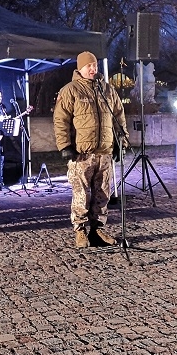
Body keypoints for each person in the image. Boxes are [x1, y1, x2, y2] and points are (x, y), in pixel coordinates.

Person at [53, 51, 129, 249]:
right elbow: (60, 120)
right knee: (81, 194)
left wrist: (122, 142)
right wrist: (65, 146)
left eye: (94, 65)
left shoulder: (107, 90)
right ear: (80, 68)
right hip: (81, 154)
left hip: (104, 152)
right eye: (89, 66)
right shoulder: (70, 90)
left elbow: (119, 116)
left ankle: (98, 230)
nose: (93, 69)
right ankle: (80, 231)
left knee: (103, 193)